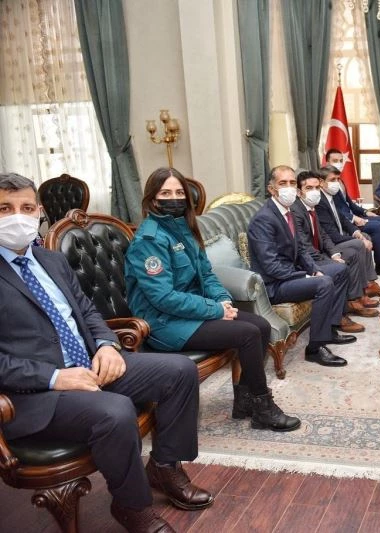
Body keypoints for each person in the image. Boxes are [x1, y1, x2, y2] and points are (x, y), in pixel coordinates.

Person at [0, 173, 210, 533]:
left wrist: (108, 345)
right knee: (116, 411)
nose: (17, 216)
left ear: (39, 212)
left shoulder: (51, 260)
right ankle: (132, 507)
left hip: (91, 366)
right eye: (5, 208)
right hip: (35, 394)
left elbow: (87, 311)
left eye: (26, 207)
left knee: (180, 372)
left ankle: (164, 466)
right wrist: (55, 377)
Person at [125, 168, 300, 434]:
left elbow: (206, 274)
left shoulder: (184, 229)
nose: (174, 198)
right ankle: (263, 408)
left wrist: (222, 300)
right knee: (248, 333)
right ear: (152, 199)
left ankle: (245, 402)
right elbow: (163, 298)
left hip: (190, 312)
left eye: (179, 192)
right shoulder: (148, 240)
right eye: (165, 193)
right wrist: (214, 310)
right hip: (163, 323)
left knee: (261, 325)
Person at [248, 165, 355, 367]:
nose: (288, 188)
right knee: (324, 283)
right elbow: (271, 266)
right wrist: (305, 276)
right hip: (274, 284)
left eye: (292, 183)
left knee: (340, 270)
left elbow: (302, 250)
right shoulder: (264, 219)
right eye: (283, 183)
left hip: (291, 273)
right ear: (271, 189)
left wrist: (313, 269)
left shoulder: (287, 212)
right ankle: (315, 348)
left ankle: (330, 329)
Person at [291, 170, 378, 326]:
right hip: (307, 259)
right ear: (299, 192)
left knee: (351, 254)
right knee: (341, 267)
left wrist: (334, 254)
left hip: (320, 251)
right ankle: (340, 316)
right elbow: (303, 246)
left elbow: (323, 235)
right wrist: (329, 259)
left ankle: (355, 298)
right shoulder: (296, 211)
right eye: (309, 188)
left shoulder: (311, 206)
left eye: (316, 188)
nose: (314, 192)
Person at [325, 148, 380, 276]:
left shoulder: (340, 181)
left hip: (352, 216)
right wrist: (353, 218)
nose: (339, 163)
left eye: (341, 161)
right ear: (327, 163)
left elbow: (349, 204)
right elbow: (334, 210)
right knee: (377, 226)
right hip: (345, 221)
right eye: (335, 161)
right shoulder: (327, 183)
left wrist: (366, 212)